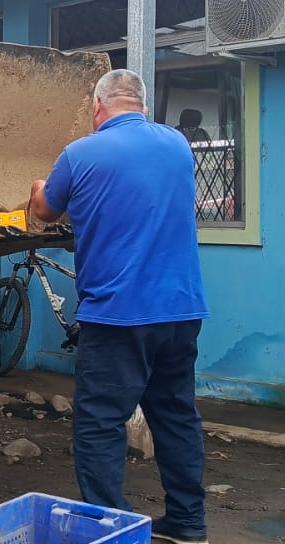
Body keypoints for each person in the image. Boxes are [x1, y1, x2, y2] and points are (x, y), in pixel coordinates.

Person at [28, 68, 211, 544]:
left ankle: (112, 528)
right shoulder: (177, 145)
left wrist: (37, 187)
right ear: (143, 106)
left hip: (117, 314)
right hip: (181, 310)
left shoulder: (80, 153)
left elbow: (45, 210)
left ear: (97, 107)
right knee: (175, 415)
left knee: (100, 422)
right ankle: (189, 522)